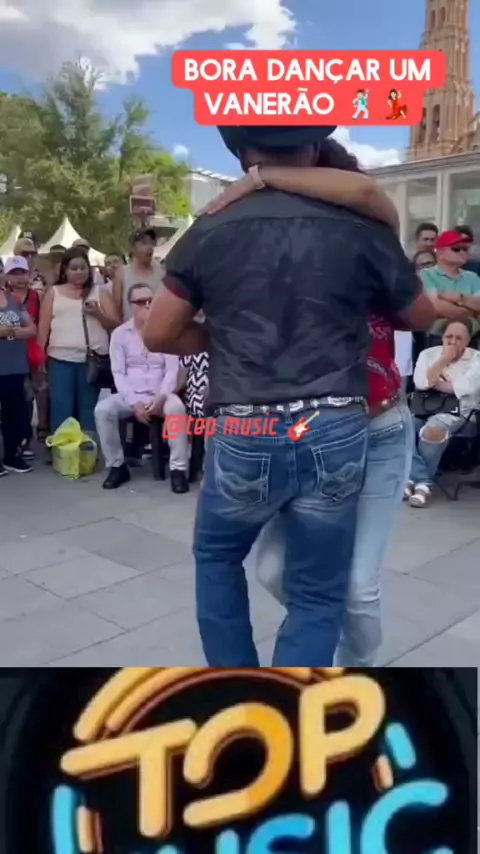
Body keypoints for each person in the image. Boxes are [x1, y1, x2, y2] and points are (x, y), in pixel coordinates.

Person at [144, 124, 434, 668]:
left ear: (240, 156)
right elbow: (421, 315)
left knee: (217, 556)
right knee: (319, 590)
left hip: (245, 422)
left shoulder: (211, 227)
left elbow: (157, 332)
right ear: (314, 150)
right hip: (336, 420)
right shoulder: (360, 225)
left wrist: (224, 335)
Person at [95, 283, 189, 493]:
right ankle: (117, 466)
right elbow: (118, 373)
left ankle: (178, 469)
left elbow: (172, 370)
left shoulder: (165, 332)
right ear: (130, 305)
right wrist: (134, 402)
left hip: (161, 392)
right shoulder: (120, 334)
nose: (147, 305)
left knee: (177, 408)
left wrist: (162, 396)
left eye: (150, 301)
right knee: (103, 410)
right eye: (140, 302)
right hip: (132, 394)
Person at [37, 247, 119, 435]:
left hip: (91, 362)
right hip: (59, 360)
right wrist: (39, 360)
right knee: (61, 407)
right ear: (64, 270)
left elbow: (115, 324)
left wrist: (98, 314)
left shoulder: (99, 292)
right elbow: (43, 328)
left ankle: (88, 447)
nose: (79, 272)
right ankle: (62, 448)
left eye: (83, 268)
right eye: (74, 268)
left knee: (88, 408)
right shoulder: (53, 292)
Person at [405, 319, 480, 508]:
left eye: (459, 338)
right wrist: (443, 359)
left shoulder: (477, 360)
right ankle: (422, 482)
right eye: (449, 336)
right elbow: (421, 383)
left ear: (468, 341)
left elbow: (460, 389)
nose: (453, 342)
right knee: (403, 428)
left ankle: (413, 481)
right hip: (423, 408)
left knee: (434, 430)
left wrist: (433, 381)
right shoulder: (428, 354)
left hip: (460, 413)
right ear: (442, 337)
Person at [5, 255, 44, 458]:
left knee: (31, 396)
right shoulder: (7, 297)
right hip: (10, 356)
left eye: (22, 273)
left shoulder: (35, 297)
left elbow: (37, 327)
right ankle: (18, 439)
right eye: (14, 273)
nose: (19, 277)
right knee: (21, 399)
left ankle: (27, 438)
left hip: (30, 354)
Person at [0, 259, 37, 475]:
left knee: (14, 414)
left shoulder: (12, 299)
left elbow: (31, 329)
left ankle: (11, 456)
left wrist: (13, 332)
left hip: (14, 366)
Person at [421, 229, 480, 343]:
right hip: (438, 339)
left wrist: (458, 298)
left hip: (472, 338)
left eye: (465, 249)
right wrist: (472, 312)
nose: (463, 252)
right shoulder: (426, 275)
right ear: (440, 252)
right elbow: (436, 306)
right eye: (456, 249)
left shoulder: (472, 277)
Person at [112, 228, 163, 322]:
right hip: (133, 328)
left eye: (151, 243)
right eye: (144, 243)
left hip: (158, 327)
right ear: (133, 248)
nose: (149, 247)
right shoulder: (121, 274)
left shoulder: (161, 270)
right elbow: (117, 311)